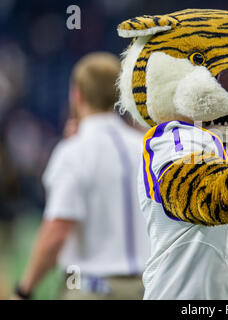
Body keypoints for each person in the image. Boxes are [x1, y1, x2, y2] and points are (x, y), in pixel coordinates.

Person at [12, 52, 149, 300]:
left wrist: (24, 290)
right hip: (147, 288)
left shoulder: (73, 151)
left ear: (77, 94)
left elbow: (57, 230)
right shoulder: (146, 147)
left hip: (92, 289)